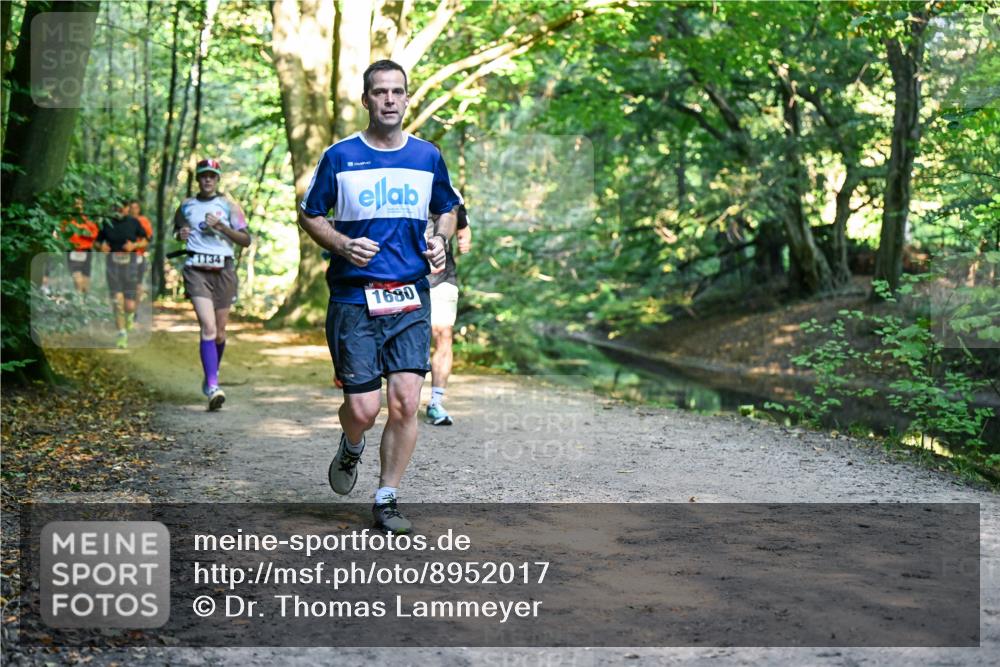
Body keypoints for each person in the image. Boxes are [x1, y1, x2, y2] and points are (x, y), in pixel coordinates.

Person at [298, 59, 460, 534]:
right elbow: (309, 214)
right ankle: (352, 445)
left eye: (397, 91)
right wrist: (342, 244)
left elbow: (448, 208)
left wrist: (440, 239)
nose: (389, 99)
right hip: (354, 298)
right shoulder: (340, 155)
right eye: (380, 92)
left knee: (406, 402)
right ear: (366, 99)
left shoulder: (427, 156)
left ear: (407, 98)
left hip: (410, 295)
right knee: (363, 410)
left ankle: (387, 497)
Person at [173, 158, 251, 411]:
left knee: (219, 332)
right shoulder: (186, 205)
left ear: (217, 179)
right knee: (208, 327)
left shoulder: (229, 206)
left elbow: (246, 240)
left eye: (212, 176)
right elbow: (177, 230)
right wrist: (180, 234)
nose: (207, 180)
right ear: (198, 179)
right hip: (196, 270)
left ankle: (210, 377)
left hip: (224, 271)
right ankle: (213, 386)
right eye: (203, 176)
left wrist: (221, 227)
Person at [425, 202, 472, 425]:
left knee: (443, 334)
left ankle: (436, 402)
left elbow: (463, 227)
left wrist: (464, 240)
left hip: (443, 276)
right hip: (405, 277)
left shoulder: (451, 194)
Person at [95, 200, 148, 349]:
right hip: (113, 267)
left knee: (129, 306)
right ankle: (122, 334)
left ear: (127, 208)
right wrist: (101, 247)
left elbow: (145, 241)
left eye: (123, 207)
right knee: (117, 301)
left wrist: (134, 245)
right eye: (117, 207)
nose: (120, 209)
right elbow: (97, 242)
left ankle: (130, 316)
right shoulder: (107, 223)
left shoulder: (134, 222)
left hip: (130, 266)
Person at [63, 197, 99, 294]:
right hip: (73, 250)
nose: (77, 206)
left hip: (86, 251)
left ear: (82, 206)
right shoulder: (68, 219)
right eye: (75, 204)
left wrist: (83, 232)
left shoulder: (87, 220)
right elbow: (62, 233)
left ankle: (84, 299)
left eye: (79, 204)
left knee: (85, 282)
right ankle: (79, 299)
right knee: (77, 278)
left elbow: (95, 233)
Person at [128, 200, 154, 314]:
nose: (133, 210)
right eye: (131, 208)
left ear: (139, 209)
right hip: (124, 257)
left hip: (138, 256)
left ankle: (135, 311)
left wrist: (135, 245)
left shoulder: (143, 221)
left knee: (138, 285)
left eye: (136, 208)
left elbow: (148, 239)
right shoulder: (124, 221)